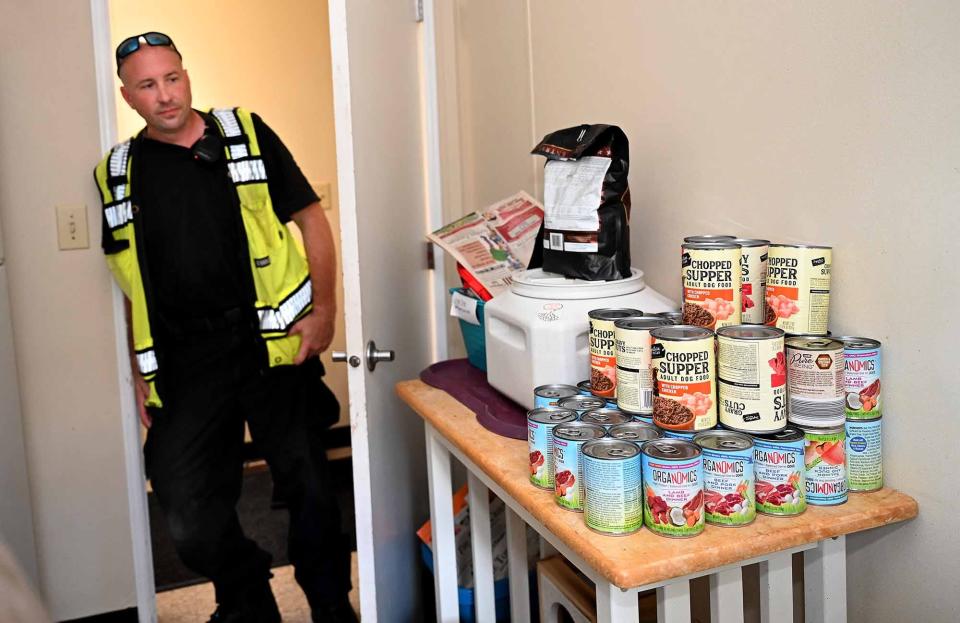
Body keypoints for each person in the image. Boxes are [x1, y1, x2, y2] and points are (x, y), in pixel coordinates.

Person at [93, 32, 356, 623]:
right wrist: (140, 369)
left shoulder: (246, 134)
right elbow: (133, 278)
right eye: (147, 86)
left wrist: (325, 311)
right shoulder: (117, 172)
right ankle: (246, 594)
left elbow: (311, 219)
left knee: (311, 488)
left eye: (172, 78)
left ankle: (331, 606)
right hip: (188, 360)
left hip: (273, 348)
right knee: (187, 511)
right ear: (128, 97)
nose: (165, 96)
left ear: (186, 75)